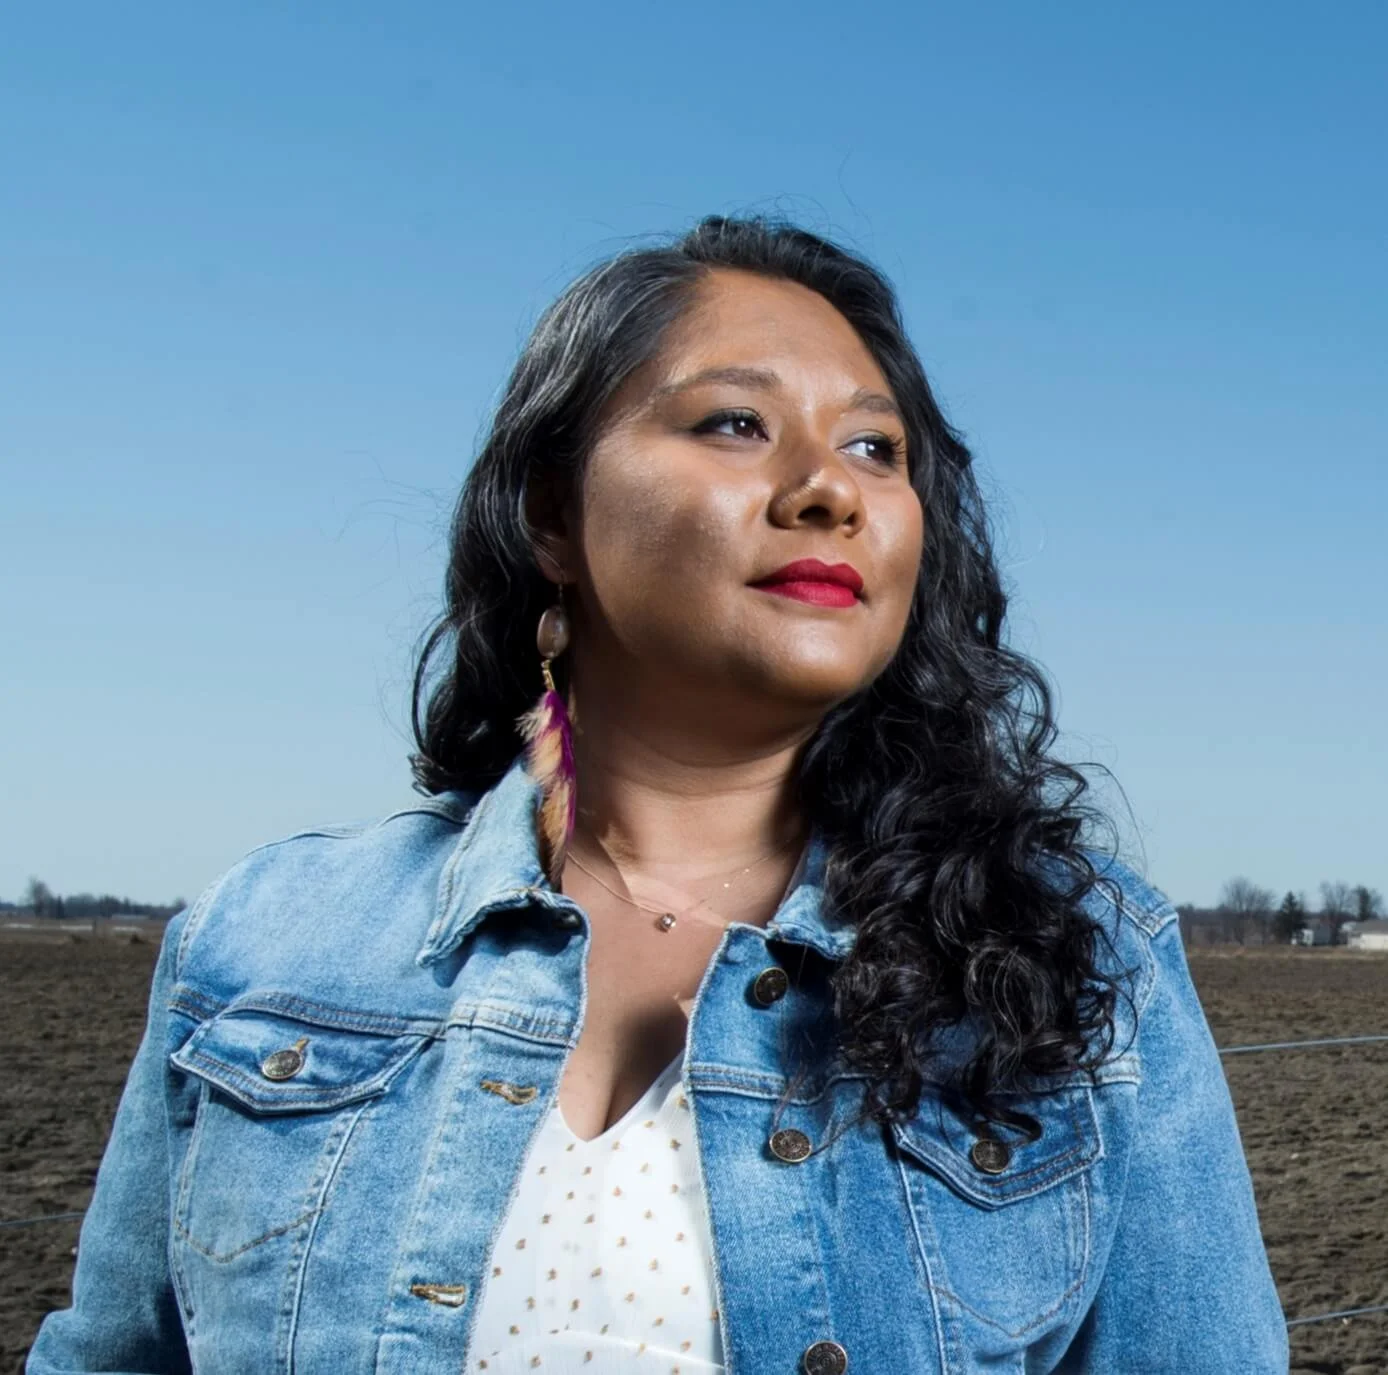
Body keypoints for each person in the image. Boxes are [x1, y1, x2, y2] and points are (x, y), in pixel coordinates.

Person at [27, 214, 1288, 1374]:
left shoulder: (1084, 958)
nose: (828, 488)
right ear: (551, 513)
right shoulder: (268, 935)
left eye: (875, 447)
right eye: (734, 423)